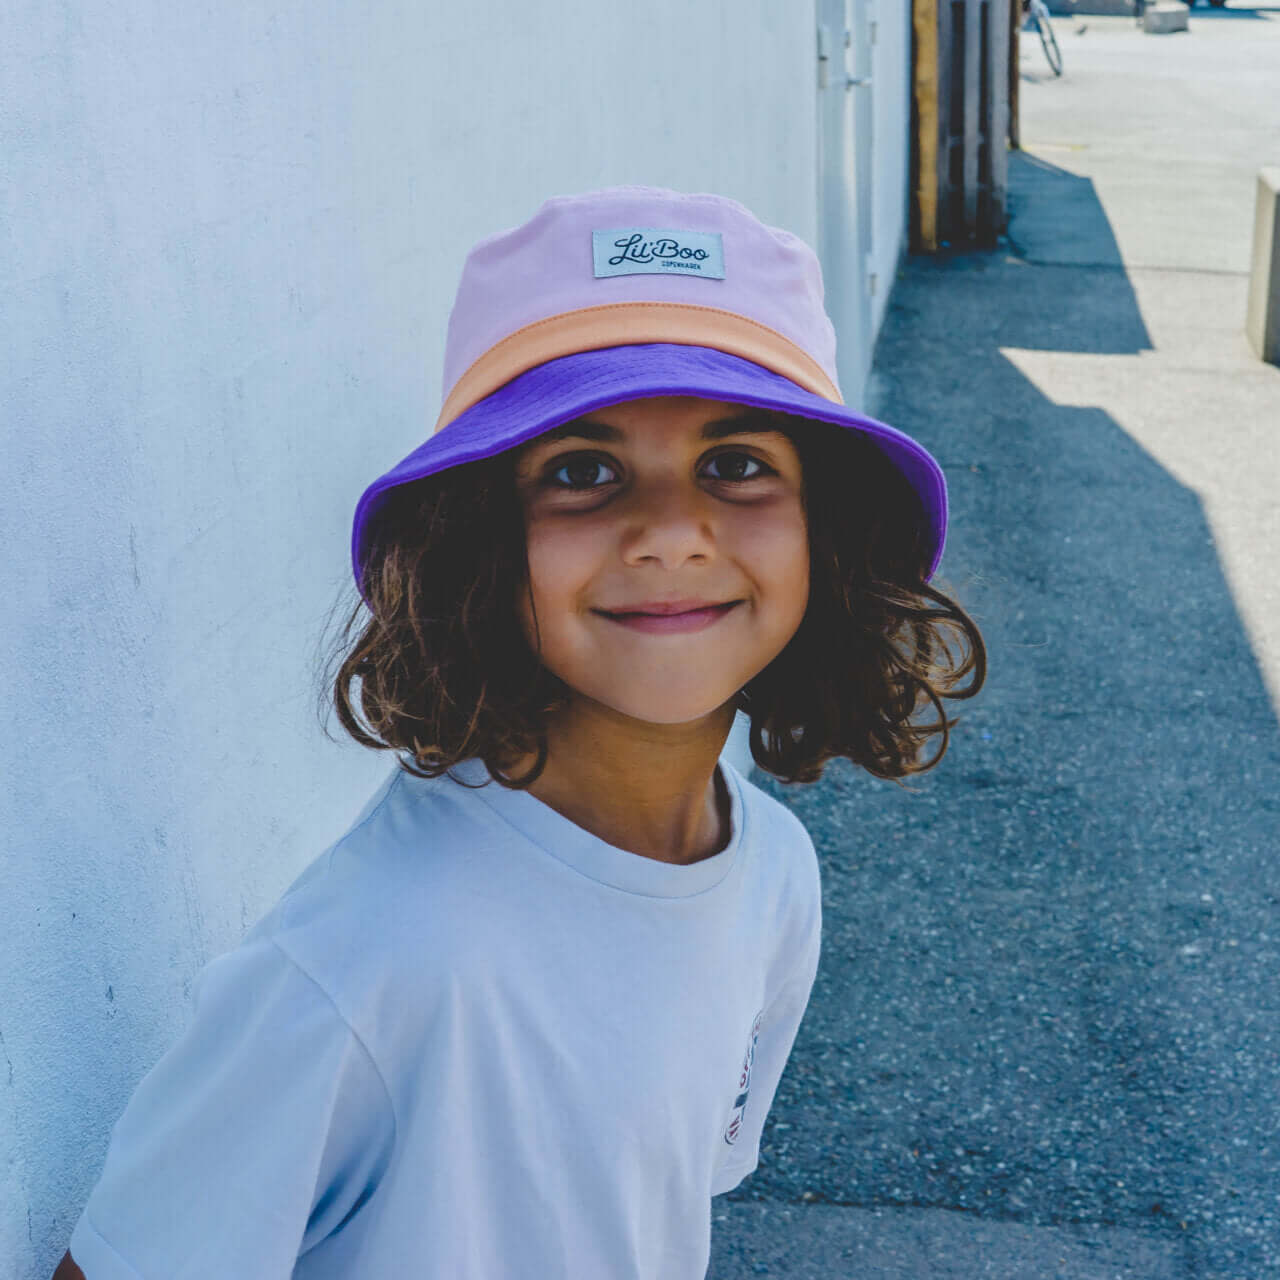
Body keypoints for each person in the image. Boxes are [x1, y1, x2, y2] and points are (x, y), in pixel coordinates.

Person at [54, 185, 986, 1279]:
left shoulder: (774, 870)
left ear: (828, 532)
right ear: (477, 542)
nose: (670, 534)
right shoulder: (366, 964)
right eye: (582, 471)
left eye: (736, 463)